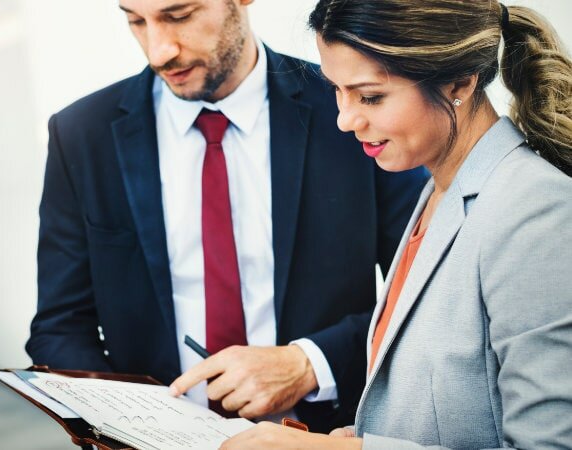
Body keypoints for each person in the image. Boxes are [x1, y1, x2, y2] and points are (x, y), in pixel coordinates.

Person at [25, 0, 427, 432]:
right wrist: (126, 430)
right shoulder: (82, 135)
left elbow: (428, 297)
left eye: (179, 16)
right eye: (136, 21)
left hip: (326, 436)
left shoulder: (352, 111)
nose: (159, 51)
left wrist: (310, 363)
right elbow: (59, 328)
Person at [221, 0, 572, 448]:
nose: (345, 120)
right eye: (337, 90)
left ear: (459, 83)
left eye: (370, 96)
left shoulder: (537, 212)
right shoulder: (438, 190)